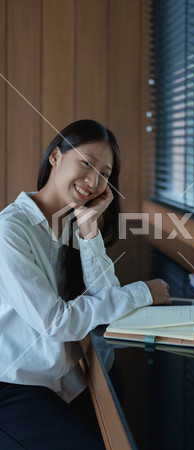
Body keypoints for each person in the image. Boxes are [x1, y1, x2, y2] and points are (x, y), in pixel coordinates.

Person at [0, 119, 171, 449]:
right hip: (14, 383)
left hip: (63, 378)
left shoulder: (71, 222)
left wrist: (90, 229)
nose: (94, 181)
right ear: (55, 156)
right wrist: (142, 292)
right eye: (86, 162)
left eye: (105, 174)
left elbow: (105, 300)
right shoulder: (11, 230)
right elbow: (57, 322)